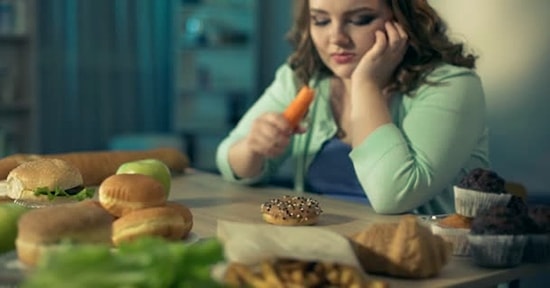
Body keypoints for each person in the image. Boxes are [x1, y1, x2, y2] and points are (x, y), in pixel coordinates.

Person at [216, 0, 489, 215]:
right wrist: (253, 148)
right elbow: (228, 162)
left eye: (360, 19)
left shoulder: (452, 86)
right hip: (325, 253)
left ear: (401, 19)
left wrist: (365, 84)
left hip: (430, 267)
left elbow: (393, 196)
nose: (336, 38)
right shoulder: (303, 79)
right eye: (321, 20)